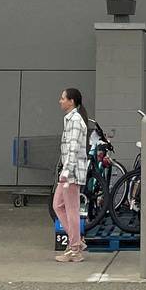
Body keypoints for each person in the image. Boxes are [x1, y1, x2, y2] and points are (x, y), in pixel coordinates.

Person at [53, 87, 91, 263]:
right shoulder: (71, 119)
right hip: (70, 170)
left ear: (71, 101)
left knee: (70, 208)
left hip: (72, 172)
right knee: (58, 205)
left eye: (63, 98)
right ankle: (76, 241)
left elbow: (74, 147)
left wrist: (67, 171)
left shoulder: (75, 120)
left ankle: (74, 248)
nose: (60, 101)